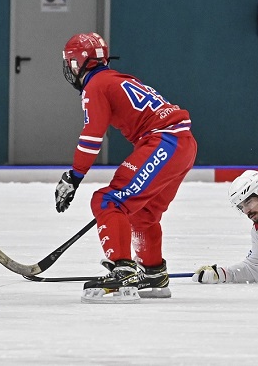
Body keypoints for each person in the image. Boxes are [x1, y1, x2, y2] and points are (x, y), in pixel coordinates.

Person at [55, 32, 197, 303]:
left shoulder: (95, 86)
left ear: (80, 63)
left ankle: (123, 271)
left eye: (71, 63)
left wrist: (73, 177)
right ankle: (153, 273)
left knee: (108, 201)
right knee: (144, 212)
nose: (70, 69)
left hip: (164, 142)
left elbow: (91, 136)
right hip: (183, 144)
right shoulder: (118, 78)